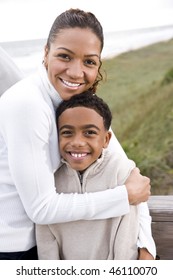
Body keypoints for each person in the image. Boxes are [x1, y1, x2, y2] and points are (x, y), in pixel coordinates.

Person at [0, 8, 151, 260]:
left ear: (98, 65)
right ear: (46, 53)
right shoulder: (26, 103)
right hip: (12, 250)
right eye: (65, 56)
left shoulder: (78, 104)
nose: (75, 72)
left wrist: (145, 246)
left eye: (89, 61)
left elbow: (131, 175)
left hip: (48, 243)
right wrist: (123, 196)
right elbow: (41, 208)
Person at [36, 91, 156, 260]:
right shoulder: (50, 177)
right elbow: (46, 241)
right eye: (67, 133)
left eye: (89, 133)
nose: (77, 142)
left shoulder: (121, 171)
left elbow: (127, 234)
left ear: (106, 139)